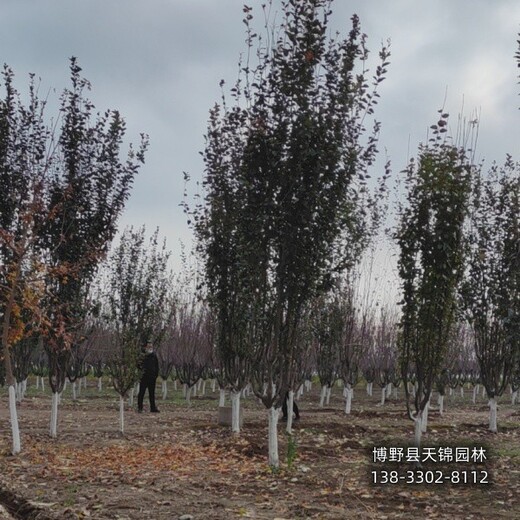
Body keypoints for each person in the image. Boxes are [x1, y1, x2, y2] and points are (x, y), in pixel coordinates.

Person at [137, 343, 160, 413]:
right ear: (145, 347)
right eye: (148, 346)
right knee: (141, 393)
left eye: (151, 346)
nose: (150, 348)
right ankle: (140, 408)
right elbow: (138, 365)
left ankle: (153, 408)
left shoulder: (154, 355)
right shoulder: (143, 356)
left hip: (152, 378)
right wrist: (141, 372)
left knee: (152, 393)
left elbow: (157, 366)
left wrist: (155, 375)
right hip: (144, 377)